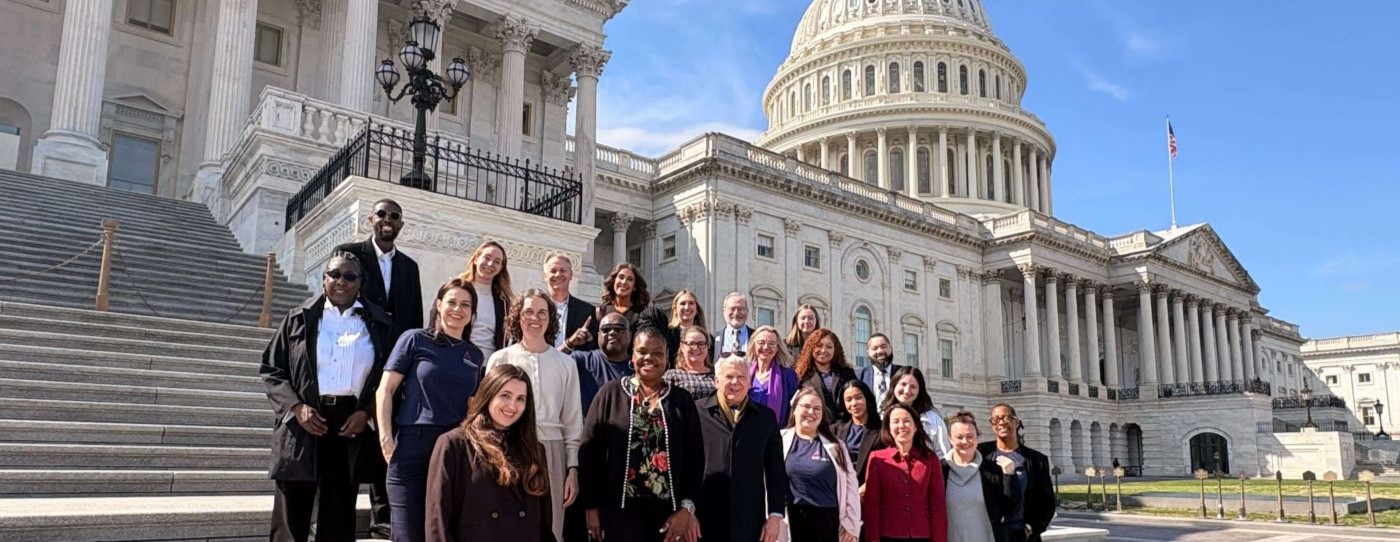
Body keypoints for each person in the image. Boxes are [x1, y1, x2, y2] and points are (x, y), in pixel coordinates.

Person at [259, 252, 395, 542]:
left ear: (361, 282)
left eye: (350, 276)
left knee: (338, 512)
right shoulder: (299, 318)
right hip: (304, 421)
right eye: (334, 274)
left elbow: (387, 377)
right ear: (324, 279)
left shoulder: (379, 323)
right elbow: (271, 368)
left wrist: (366, 413)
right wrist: (296, 407)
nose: (341, 282)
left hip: (349, 425)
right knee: (291, 514)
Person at [334, 198, 423, 537]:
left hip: (393, 364)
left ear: (401, 223)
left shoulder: (410, 267)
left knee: (385, 435)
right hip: (356, 358)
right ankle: (334, 514)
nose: (388, 220)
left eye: (395, 216)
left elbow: (413, 316)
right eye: (382, 214)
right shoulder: (349, 254)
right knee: (351, 437)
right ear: (371, 218)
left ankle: (382, 515)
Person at [375, 279, 483, 542]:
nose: (458, 309)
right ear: (438, 305)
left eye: (465, 305)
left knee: (442, 533)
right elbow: (385, 390)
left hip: (454, 450)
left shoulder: (475, 355)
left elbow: (473, 408)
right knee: (408, 534)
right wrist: (386, 438)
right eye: (452, 302)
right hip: (413, 445)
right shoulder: (414, 339)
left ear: (472, 314)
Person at [578, 328, 704, 542]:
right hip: (617, 515)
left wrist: (686, 509)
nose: (649, 358)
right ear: (632, 355)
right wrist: (591, 507)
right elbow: (589, 454)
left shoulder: (681, 400)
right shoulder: (609, 394)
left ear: (667, 358)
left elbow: (695, 458)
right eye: (642, 351)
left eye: (657, 353)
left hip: (669, 516)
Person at [486, 289, 582, 541]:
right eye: (528, 311)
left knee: (551, 527)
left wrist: (572, 468)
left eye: (542, 312)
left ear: (551, 318)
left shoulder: (566, 364)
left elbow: (572, 421)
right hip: (509, 447)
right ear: (518, 316)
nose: (535, 318)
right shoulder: (500, 358)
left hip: (552, 450)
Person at [424, 364, 553, 542]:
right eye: (505, 395)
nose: (512, 406)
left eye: (520, 399)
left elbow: (544, 524)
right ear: (488, 394)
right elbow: (437, 521)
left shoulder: (535, 448)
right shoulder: (454, 444)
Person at [696, 356, 787, 542]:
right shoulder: (697, 413)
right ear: (716, 380)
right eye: (729, 376)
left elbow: (776, 471)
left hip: (749, 519)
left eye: (741, 377)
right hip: (704, 518)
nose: (735, 382)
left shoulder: (766, 418)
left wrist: (775, 515)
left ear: (750, 381)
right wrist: (687, 509)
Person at [779, 387, 861, 542]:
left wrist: (851, 524)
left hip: (827, 523)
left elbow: (851, 487)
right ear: (794, 409)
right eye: (806, 407)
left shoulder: (837, 446)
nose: (811, 412)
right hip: (791, 521)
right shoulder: (779, 441)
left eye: (817, 408)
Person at [861, 403, 948, 542]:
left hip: (922, 535)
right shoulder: (877, 458)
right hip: (888, 534)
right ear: (889, 428)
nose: (901, 426)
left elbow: (938, 506)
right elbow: (872, 505)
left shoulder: (930, 459)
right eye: (895, 421)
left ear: (915, 427)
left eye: (907, 421)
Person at [978, 404, 1055, 542]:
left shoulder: (1036, 460)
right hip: (990, 534)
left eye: (1006, 418)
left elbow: (1047, 503)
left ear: (1016, 422)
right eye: (995, 419)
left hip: (1021, 535)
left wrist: (1031, 528)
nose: (1001, 422)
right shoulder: (981, 454)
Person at [943, 411, 1015, 542]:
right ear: (950, 438)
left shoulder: (993, 470)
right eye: (959, 437)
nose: (965, 441)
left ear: (977, 437)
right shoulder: (940, 470)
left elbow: (1010, 508)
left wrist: (1009, 477)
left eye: (970, 436)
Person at [570, 312, 634, 417]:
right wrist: (570, 343)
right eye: (606, 329)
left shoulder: (639, 367)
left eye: (619, 329)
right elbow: (550, 365)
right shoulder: (583, 360)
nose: (612, 333)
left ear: (630, 335)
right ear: (598, 335)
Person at [881, 366, 952, 459]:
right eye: (903, 384)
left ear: (919, 390)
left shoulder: (932, 419)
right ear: (894, 385)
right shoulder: (883, 415)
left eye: (913, 387)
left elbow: (943, 454)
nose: (907, 391)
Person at [459, 241, 513, 360]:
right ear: (476, 259)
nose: (490, 264)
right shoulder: (456, 291)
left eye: (497, 262)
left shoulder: (504, 303)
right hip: (458, 361)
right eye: (487, 258)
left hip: (489, 368)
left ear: (500, 268)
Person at [793, 329, 857, 416]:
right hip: (814, 424)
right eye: (819, 345)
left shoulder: (847, 374)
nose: (823, 350)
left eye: (829, 347)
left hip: (843, 427)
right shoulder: (801, 375)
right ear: (811, 348)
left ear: (835, 350)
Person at [831, 380, 883, 486]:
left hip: (870, 490)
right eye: (848, 400)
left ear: (867, 398)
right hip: (842, 489)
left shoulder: (882, 430)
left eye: (858, 397)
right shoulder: (834, 430)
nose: (854, 403)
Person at [544, 252, 597, 351]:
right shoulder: (536, 308)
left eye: (563, 270)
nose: (558, 274)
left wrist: (589, 339)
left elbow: (593, 350)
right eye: (553, 271)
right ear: (545, 276)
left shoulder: (587, 311)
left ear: (571, 275)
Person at [637, 288, 706, 365]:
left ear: (697, 309)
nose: (687, 307)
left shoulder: (706, 337)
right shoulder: (667, 334)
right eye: (682, 303)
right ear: (675, 309)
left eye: (691, 303)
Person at [748, 325, 800, 425]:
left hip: (776, 433)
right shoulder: (745, 373)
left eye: (771, 343)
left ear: (777, 348)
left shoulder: (788, 376)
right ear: (754, 345)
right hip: (747, 432)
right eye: (761, 342)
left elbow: (794, 409)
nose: (766, 347)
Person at [593, 262, 650, 331]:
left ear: (634, 287)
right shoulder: (600, 312)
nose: (624, 282)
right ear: (614, 281)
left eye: (630, 279)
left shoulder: (642, 313)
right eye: (621, 277)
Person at [664, 325, 716, 398]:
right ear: (682, 347)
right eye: (691, 343)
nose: (696, 348)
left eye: (701, 344)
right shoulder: (672, 375)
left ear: (707, 347)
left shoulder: (717, 374)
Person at [857, 333, 903, 403]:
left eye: (883, 346)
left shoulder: (904, 373)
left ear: (891, 348)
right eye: (874, 348)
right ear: (868, 353)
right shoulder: (858, 376)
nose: (880, 351)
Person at [713, 292, 754, 359]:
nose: (736, 313)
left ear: (747, 311)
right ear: (724, 311)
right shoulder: (713, 339)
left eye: (740, 309)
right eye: (732, 309)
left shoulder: (756, 337)